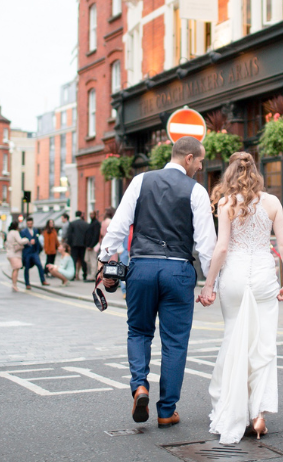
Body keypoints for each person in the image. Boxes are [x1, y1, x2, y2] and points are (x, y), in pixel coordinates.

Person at [99, 137, 216, 427]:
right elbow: (206, 245)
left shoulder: (140, 181)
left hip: (142, 268)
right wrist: (211, 283)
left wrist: (104, 259)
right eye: (199, 160)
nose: (200, 166)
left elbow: (119, 225)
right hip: (177, 270)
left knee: (138, 331)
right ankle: (166, 410)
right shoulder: (197, 191)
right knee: (175, 343)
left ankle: (140, 385)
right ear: (188, 158)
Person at [199, 151, 283, 443]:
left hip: (236, 277)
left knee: (234, 339)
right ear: (256, 171)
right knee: (262, 344)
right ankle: (258, 413)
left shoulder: (226, 203)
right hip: (264, 275)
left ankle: (235, 406)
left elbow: (222, 248)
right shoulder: (273, 202)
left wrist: (208, 284)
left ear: (230, 172)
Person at [65, 211, 93, 281]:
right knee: (83, 260)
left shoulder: (72, 224)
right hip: (83, 245)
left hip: (74, 245)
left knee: (74, 260)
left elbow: (69, 235)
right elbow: (88, 235)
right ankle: (84, 275)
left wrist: (69, 244)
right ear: (81, 215)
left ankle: (73, 275)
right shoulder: (86, 224)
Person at [3, 218, 30, 292]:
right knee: (16, 270)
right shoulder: (15, 232)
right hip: (15, 254)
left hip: (10, 253)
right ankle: (14, 285)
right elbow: (20, 241)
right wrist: (26, 239)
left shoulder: (9, 233)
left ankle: (14, 284)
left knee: (14, 269)